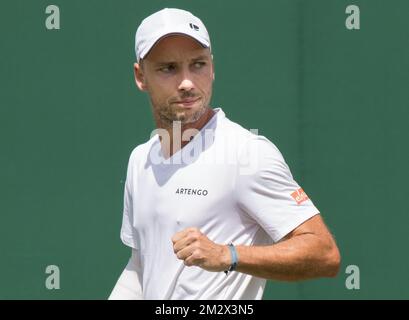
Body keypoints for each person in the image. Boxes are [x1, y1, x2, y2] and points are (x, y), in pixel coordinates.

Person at [109, 8, 340, 300]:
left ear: (212, 67)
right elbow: (142, 267)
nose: (187, 82)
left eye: (198, 65)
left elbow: (323, 252)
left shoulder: (247, 153)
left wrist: (228, 255)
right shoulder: (140, 160)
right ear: (140, 76)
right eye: (168, 68)